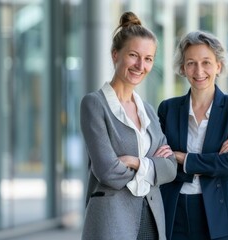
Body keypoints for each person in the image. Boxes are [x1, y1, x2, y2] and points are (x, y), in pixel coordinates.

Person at [80, 11, 177, 240]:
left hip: (152, 219)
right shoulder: (95, 104)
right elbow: (107, 172)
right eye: (134, 55)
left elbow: (171, 168)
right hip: (112, 222)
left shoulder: (149, 111)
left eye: (149, 58)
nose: (140, 65)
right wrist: (153, 166)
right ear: (115, 55)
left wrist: (134, 162)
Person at [157, 31, 228, 240]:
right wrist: (213, 160)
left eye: (206, 62)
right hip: (174, 211)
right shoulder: (168, 109)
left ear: (218, 65)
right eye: (191, 63)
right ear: (183, 68)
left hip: (220, 215)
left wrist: (182, 157)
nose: (199, 71)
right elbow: (160, 162)